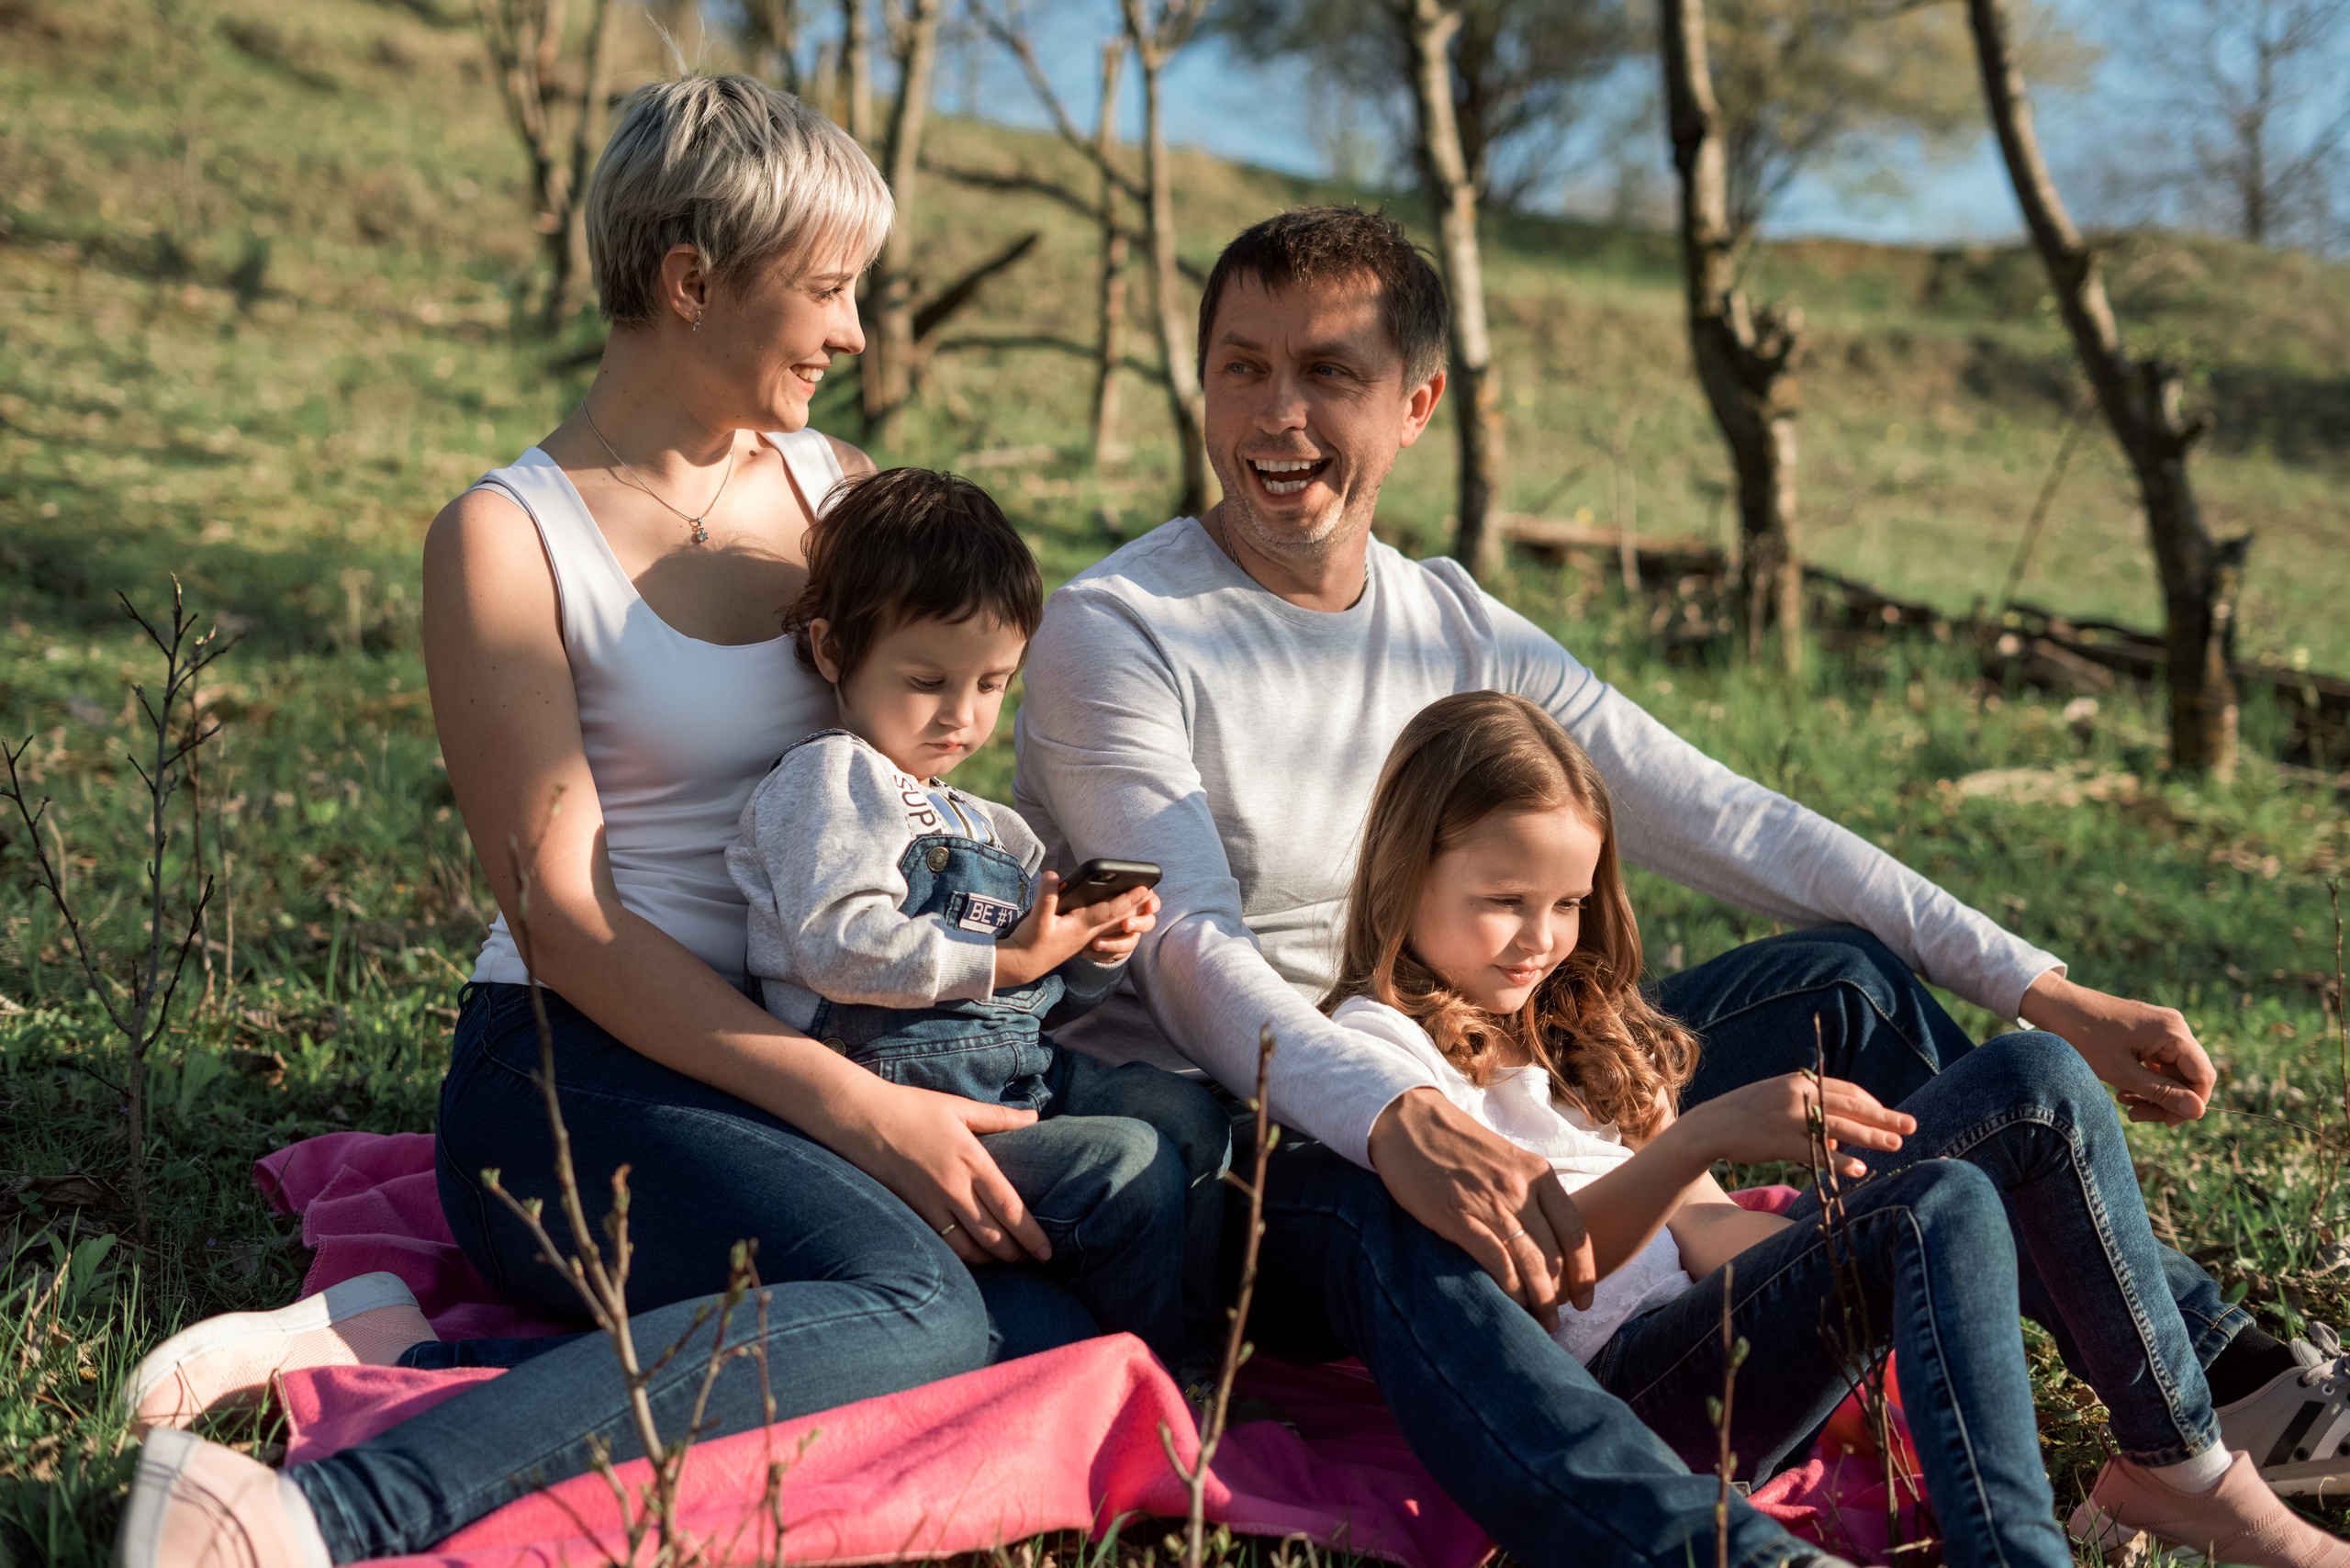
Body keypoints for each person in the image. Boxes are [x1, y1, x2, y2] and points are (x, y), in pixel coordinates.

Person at [1012, 204, 2341, 1567]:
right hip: (1268, 1129)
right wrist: (1399, 1114)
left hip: (1485, 1058)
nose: (1276, 414)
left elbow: (1726, 814)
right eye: (1243, 365)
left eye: (1329, 375)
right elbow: (1185, 953)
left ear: (1416, 406)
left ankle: (2207, 1387)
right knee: (1387, 1197)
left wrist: (2040, 985)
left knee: (1845, 981)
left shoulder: (1456, 624)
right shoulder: (1120, 633)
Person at [114, 75, 1124, 1567]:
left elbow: (924, 759)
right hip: (568, 1064)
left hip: (809, 1042)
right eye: (830, 290)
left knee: (1069, 1272)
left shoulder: (838, 491)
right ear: (692, 279)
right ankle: (304, 1511)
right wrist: (863, 1112)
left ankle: (407, 1357)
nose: (856, 334)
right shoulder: (510, 538)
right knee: (921, 1306)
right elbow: (568, 921)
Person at [1321, 689, 2349, 1568]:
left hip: (1717, 1345)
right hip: (1622, 1392)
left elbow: (1715, 1235)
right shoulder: (1377, 1056)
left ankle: (2178, 1463)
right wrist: (1699, 1137)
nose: (1542, 939)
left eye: (1568, 902)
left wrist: (1845, 1248)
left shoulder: (1574, 1034)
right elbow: (1530, 1279)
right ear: (1406, 872)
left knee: (2030, 1081)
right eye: (1504, 900)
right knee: (1936, 1195)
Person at [728, 465, 1228, 1374]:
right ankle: (1144, 1379)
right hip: (889, 1096)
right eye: (926, 680)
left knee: (1183, 1110)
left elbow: (1042, 996)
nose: (961, 717)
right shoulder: (832, 779)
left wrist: (1087, 952)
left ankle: (1197, 1339)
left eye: (993, 683)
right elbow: (836, 944)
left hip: (1014, 1070)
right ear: (833, 649)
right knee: (1128, 1165)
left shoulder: (985, 821)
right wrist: (1004, 959)